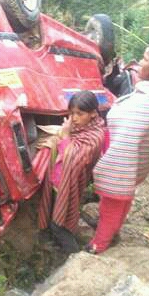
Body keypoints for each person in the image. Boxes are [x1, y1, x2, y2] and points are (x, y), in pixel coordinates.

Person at [86, 42, 149, 254]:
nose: (140, 62)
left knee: (113, 201)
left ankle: (99, 243)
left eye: (144, 59)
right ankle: (112, 230)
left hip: (123, 163)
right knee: (123, 197)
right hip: (137, 161)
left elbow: (128, 136)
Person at [37, 91, 107, 253]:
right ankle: (54, 242)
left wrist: (66, 135)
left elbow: (74, 159)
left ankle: (74, 257)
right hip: (59, 181)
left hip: (70, 185)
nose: (74, 118)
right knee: (54, 210)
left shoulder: (95, 136)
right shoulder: (81, 129)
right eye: (72, 113)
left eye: (79, 114)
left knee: (60, 224)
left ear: (93, 114)